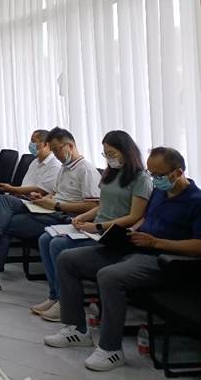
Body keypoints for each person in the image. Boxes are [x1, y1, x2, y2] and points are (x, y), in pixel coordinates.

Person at [44, 147, 201, 372]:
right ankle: (76, 330)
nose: (153, 179)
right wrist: (129, 233)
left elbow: (198, 246)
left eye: (158, 175)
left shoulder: (196, 201)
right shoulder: (160, 192)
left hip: (163, 259)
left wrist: (156, 243)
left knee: (110, 276)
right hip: (135, 246)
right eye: (151, 173)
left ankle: (111, 349)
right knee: (68, 259)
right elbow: (145, 218)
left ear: (177, 173)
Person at [31, 130, 151, 321]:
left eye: (112, 154)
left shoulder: (141, 179)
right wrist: (82, 218)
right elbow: (101, 205)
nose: (109, 158)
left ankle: (64, 302)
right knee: (46, 239)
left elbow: (134, 216)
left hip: (111, 234)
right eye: (106, 154)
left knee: (57, 244)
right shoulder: (112, 174)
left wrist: (97, 227)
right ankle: (54, 295)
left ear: (126, 151)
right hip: (95, 228)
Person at [0, 127, 100, 293]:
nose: (55, 154)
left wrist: (56, 205)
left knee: (5, 221)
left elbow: (93, 206)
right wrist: (44, 199)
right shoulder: (65, 168)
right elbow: (56, 193)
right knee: (6, 202)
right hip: (49, 209)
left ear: (69, 146)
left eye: (56, 150)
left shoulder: (86, 170)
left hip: (63, 216)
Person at [0, 129, 61, 243]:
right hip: (20, 197)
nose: (31, 144)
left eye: (33, 141)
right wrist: (12, 190)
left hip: (33, 202)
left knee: (4, 204)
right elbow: (25, 184)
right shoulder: (35, 162)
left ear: (46, 144)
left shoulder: (54, 165)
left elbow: (41, 190)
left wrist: (12, 189)